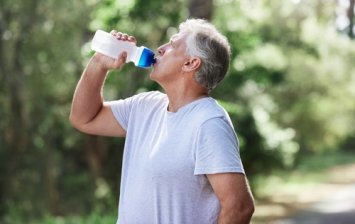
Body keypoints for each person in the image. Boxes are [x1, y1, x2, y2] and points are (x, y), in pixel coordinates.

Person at [70, 18, 255, 224]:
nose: (160, 48)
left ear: (190, 63)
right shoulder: (145, 106)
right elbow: (83, 118)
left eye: (172, 45)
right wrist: (99, 63)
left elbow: (239, 207)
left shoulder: (208, 122)